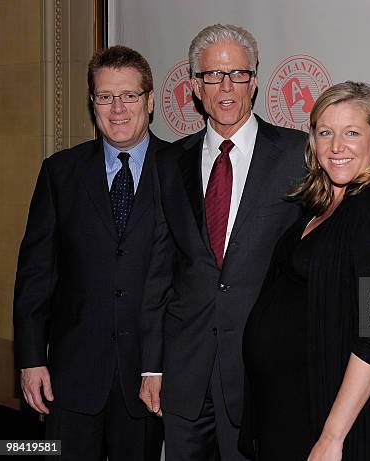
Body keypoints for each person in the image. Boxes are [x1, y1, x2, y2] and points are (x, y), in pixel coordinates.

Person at [138, 24, 306, 460]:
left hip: (260, 374)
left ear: (254, 80)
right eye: (213, 76)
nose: (225, 87)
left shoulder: (298, 155)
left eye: (237, 74)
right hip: (184, 374)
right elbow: (159, 272)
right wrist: (152, 365)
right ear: (195, 86)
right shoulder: (169, 162)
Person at [241, 81, 370, 461]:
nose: (337, 146)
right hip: (288, 412)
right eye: (325, 132)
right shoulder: (318, 204)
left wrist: (333, 436)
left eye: (352, 133)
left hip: (339, 422)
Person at [13, 45, 166, 460]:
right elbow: (35, 275)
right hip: (70, 377)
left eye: (129, 96)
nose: (117, 109)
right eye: (105, 96)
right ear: (92, 102)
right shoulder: (60, 172)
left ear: (150, 101)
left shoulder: (180, 169)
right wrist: (29, 360)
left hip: (148, 379)